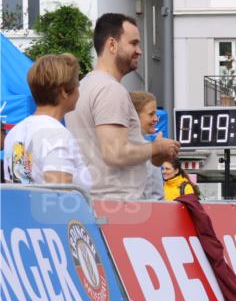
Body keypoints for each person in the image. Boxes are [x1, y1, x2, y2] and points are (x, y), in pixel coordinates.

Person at [66, 13, 179, 200]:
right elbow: (114, 153)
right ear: (112, 44)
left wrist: (153, 153)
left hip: (95, 205)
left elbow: (102, 149)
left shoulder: (83, 87)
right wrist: (155, 148)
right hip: (118, 207)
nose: (140, 51)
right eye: (133, 43)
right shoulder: (111, 90)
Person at [3, 54, 91, 189]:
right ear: (64, 92)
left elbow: (19, 191)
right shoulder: (57, 136)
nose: (79, 91)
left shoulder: (14, 134)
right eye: (77, 85)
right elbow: (58, 198)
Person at [130, 91, 165, 200]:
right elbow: (156, 196)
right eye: (151, 114)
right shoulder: (148, 150)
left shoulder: (108, 145)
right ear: (134, 116)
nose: (156, 119)